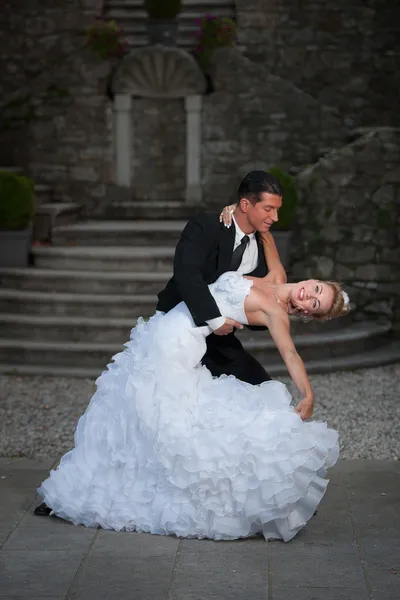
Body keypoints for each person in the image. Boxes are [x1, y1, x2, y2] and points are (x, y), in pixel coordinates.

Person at [34, 264, 350, 541]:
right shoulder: (274, 279)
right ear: (313, 279)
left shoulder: (277, 313)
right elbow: (264, 230)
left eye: (314, 304)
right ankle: (88, 482)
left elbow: (290, 354)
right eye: (316, 290)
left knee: (157, 416)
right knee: (127, 410)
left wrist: (308, 394)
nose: (308, 297)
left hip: (180, 341)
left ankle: (251, 500)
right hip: (168, 326)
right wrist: (238, 212)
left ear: (309, 314)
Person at [157, 170, 287, 385]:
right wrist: (216, 321)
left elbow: (257, 305)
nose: (275, 218)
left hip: (221, 342)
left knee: (262, 390)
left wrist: (285, 305)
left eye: (277, 210)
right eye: (268, 209)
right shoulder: (207, 225)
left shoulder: (263, 247)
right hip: (179, 326)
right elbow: (186, 274)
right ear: (245, 205)